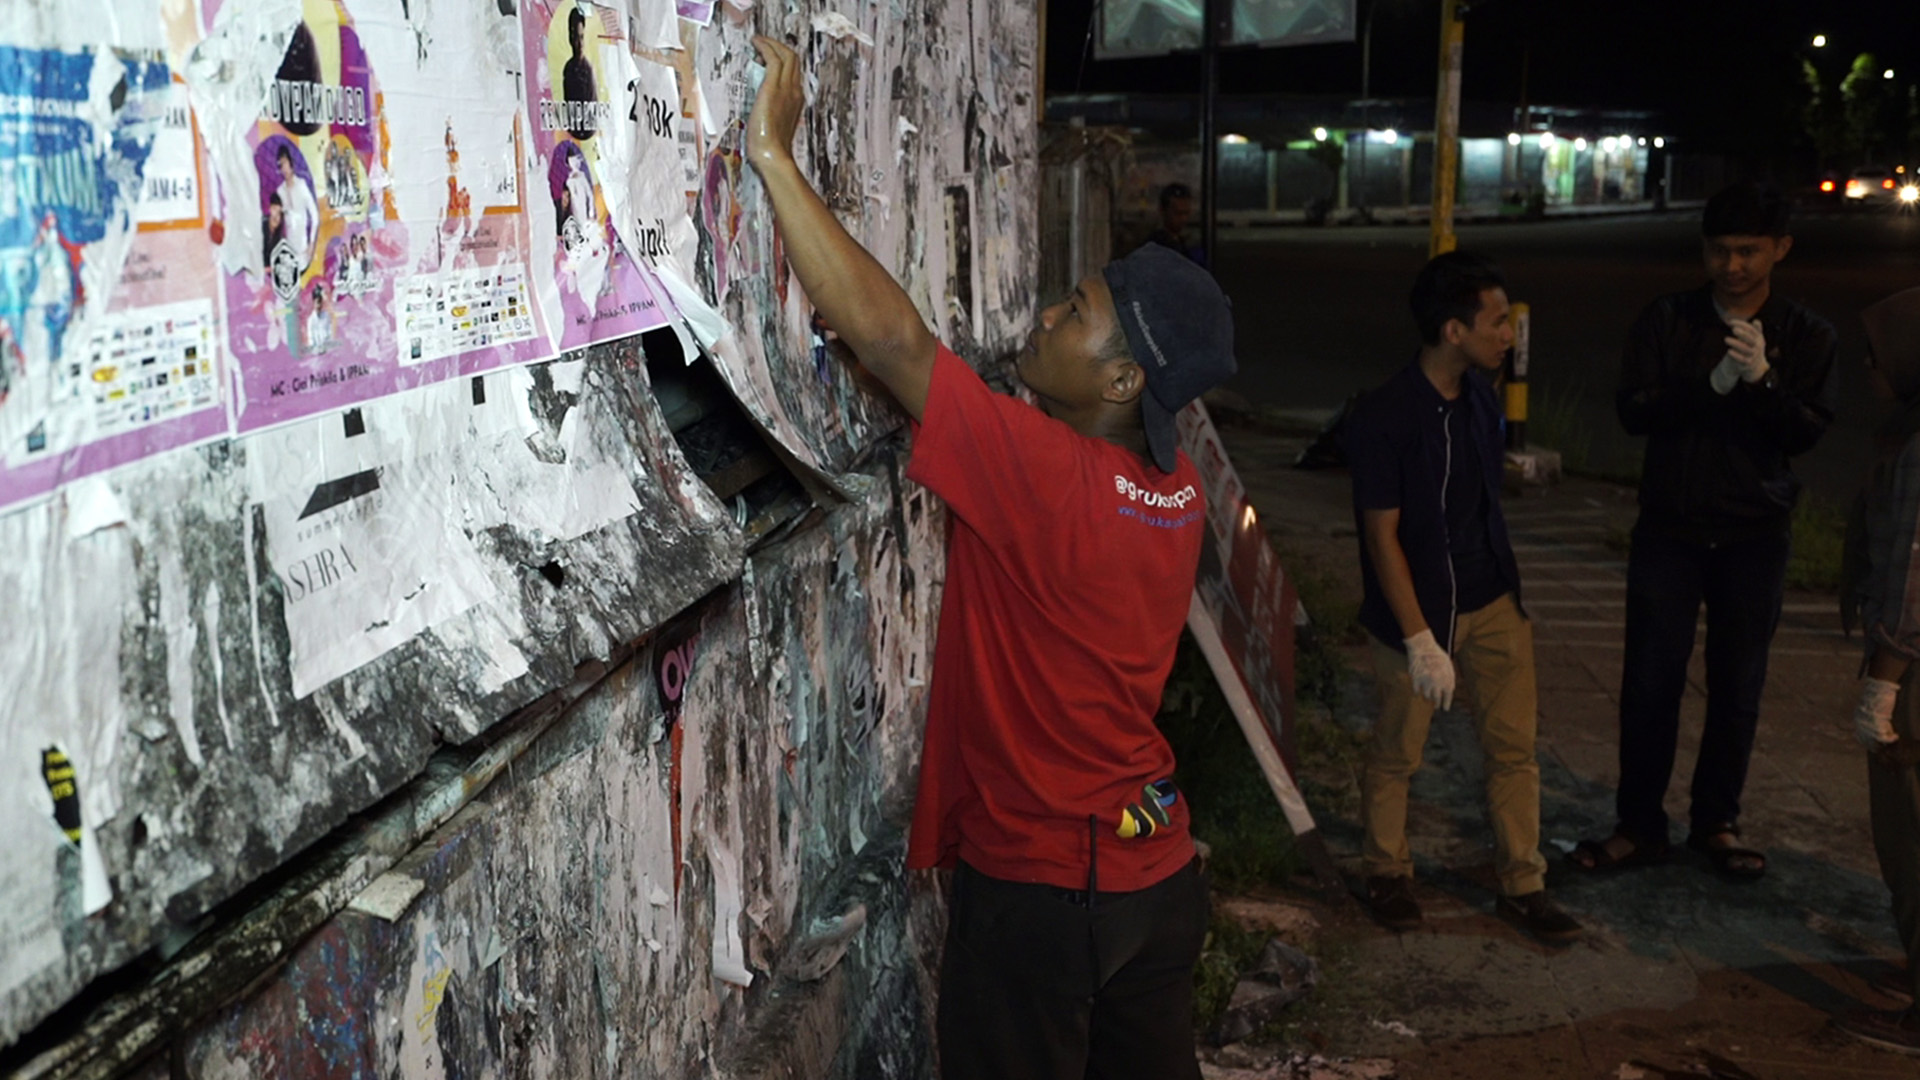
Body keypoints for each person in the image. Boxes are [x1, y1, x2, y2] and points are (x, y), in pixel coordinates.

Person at [744, 36, 1234, 1080]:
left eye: (1077, 316)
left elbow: (896, 345)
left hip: (1051, 889)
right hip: (1153, 873)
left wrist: (777, 159)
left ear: (1116, 388)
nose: (1050, 310)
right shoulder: (1176, 489)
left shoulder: (1048, 477)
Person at [1571, 182, 1837, 880]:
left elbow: (1806, 431)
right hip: (1671, 525)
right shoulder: (1668, 320)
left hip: (1755, 530)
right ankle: (1639, 824)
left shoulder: (1807, 333)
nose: (1733, 265)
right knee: (1649, 679)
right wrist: (1709, 384)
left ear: (1780, 248)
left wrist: (1762, 383)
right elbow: (1634, 410)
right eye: (1720, 250)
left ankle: (1717, 820)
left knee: (1737, 682)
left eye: (1749, 250)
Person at [1341, 251, 1580, 943]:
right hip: (1417, 613)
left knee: (1514, 748)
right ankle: (1386, 871)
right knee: (1397, 750)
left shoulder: (1479, 394)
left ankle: (1524, 884)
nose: (1508, 333)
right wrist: (1418, 639)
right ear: (1453, 331)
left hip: (1495, 600)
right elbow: (1381, 537)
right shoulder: (1385, 415)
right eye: (1497, 321)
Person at [1837, 287, 1920, 1054]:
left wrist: (1885, 682)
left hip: (1915, 670)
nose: (1867, 367)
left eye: (1876, 354)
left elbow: (1911, 574)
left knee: (1910, 833)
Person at [274, 144, 318, 270]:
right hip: (288, 251)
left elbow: (314, 216)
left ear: (291, 163)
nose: (284, 168)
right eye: (281, 165)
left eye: (286, 163)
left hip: (304, 249)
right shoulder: (280, 191)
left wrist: (311, 242)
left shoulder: (301, 185)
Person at [1144, 181, 1204, 267]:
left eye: (1186, 213)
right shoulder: (1155, 246)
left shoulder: (1187, 244)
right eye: (1178, 213)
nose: (1184, 219)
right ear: (1162, 211)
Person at [562, 5, 598, 142]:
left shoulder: (588, 68)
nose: (580, 43)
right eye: (577, 37)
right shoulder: (569, 68)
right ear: (571, 38)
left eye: (582, 37)